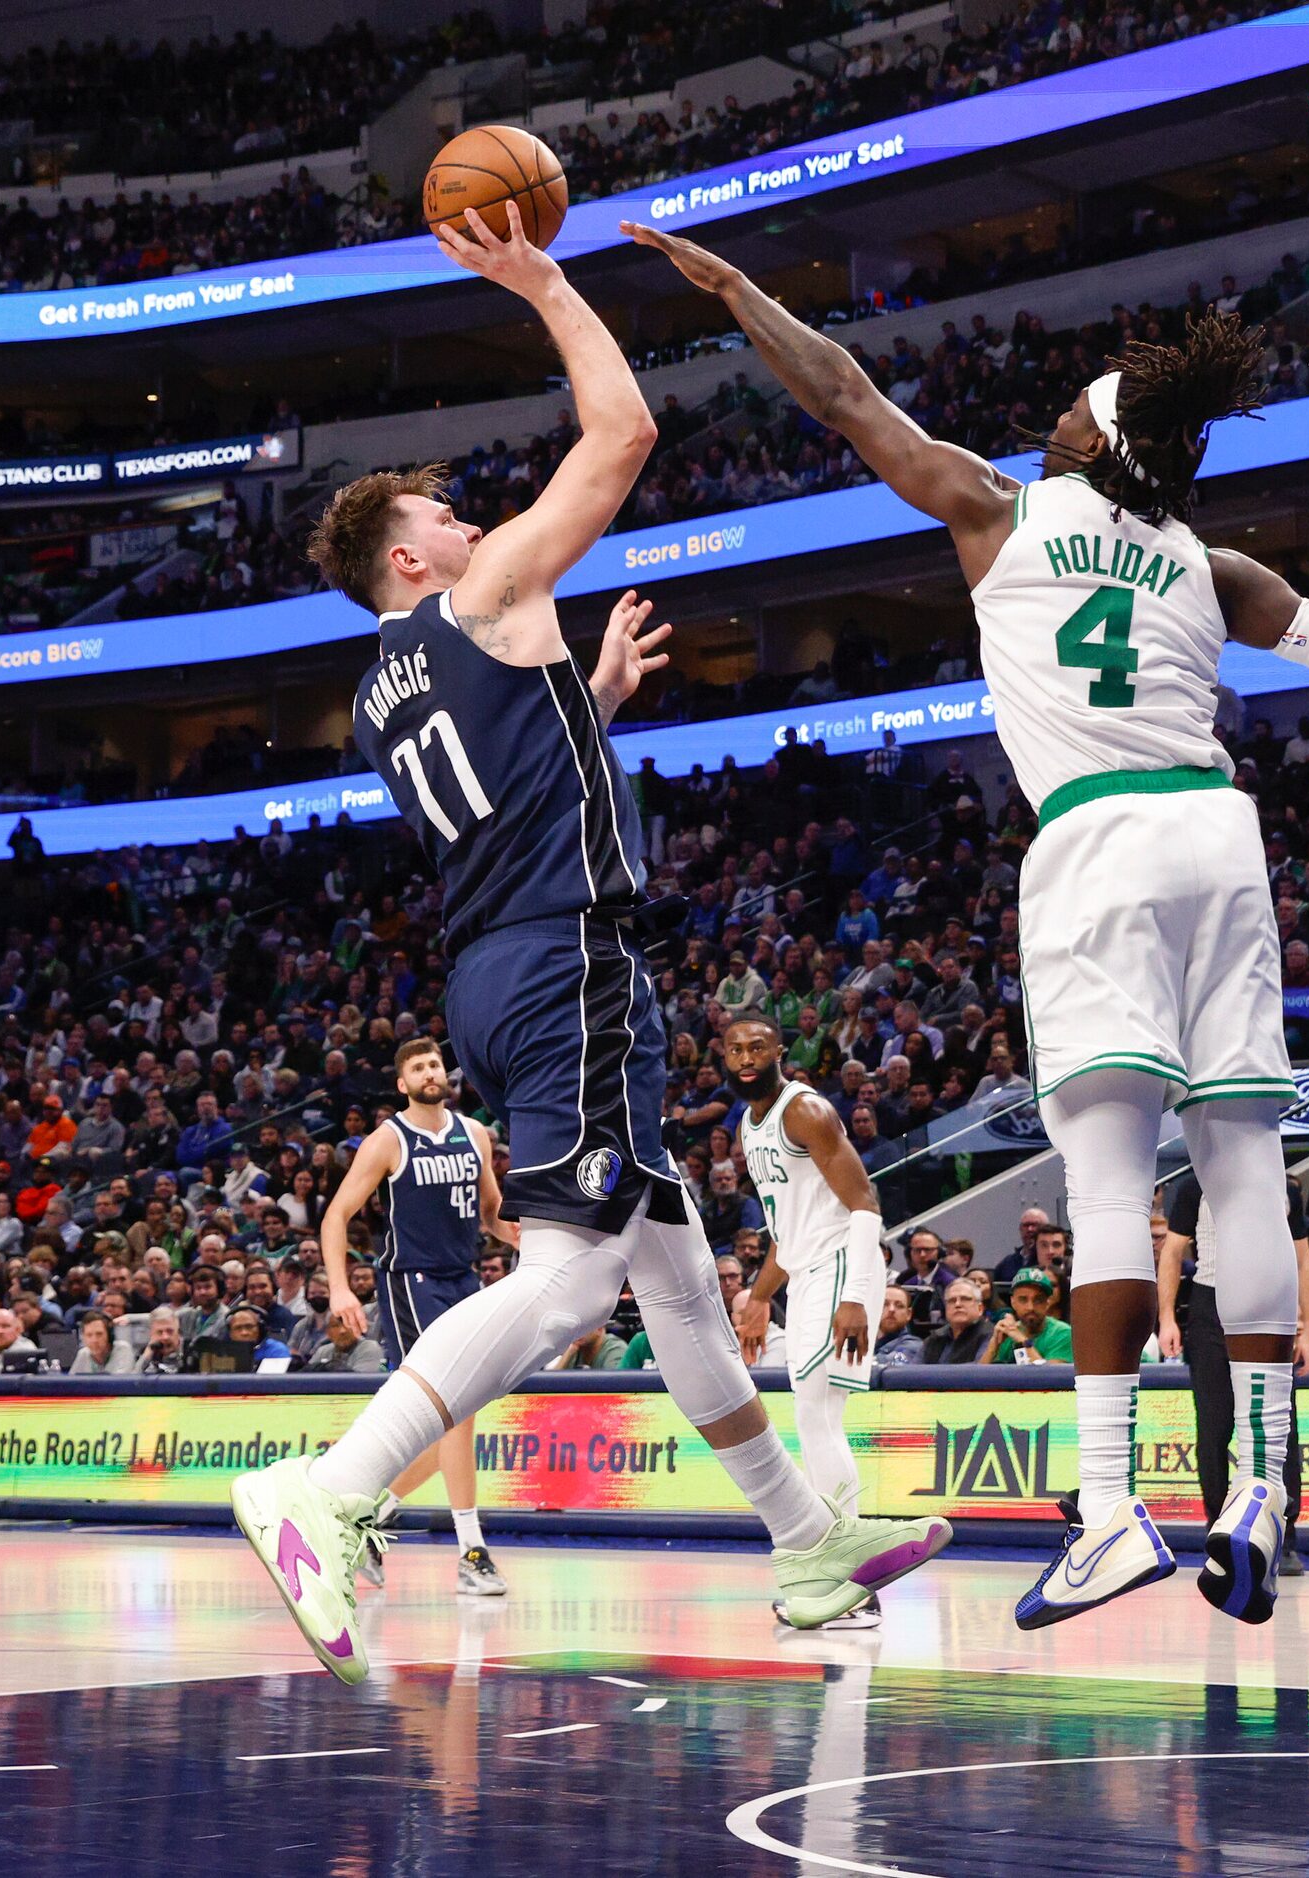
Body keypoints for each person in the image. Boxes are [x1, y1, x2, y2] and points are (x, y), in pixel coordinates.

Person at [626, 217, 1309, 1635]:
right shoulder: (1216, 569)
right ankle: (1264, 1484)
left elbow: (846, 393)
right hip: (1218, 838)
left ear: (1088, 447)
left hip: (1093, 838)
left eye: (1057, 413)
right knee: (1237, 1173)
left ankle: (1107, 1513)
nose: (1039, 422)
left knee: (1106, 1190)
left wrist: (733, 292)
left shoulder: (999, 509)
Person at [233, 202, 947, 1684]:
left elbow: (506, 798)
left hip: (498, 966)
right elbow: (620, 433)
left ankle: (808, 1543)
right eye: (442, 515)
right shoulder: (487, 597)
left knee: (678, 1278)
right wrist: (546, 280)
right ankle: (331, 1491)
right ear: (412, 563)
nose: (470, 517)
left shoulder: (381, 692)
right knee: (565, 1283)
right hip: (569, 968)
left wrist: (592, 702)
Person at [316, 1038, 514, 1598]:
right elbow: (336, 1216)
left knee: (452, 1421)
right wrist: (339, 1289)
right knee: (455, 1417)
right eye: (418, 1068)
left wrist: (524, 1234)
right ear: (402, 1084)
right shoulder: (387, 1140)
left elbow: (491, 1213)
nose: (431, 1072)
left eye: (435, 1064)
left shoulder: (476, 1134)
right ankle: (471, 1552)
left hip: (464, 1279)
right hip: (411, 1281)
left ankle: (369, 1521)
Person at [727, 1014, 893, 1630]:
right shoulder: (749, 1124)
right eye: (735, 1048)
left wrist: (853, 1295)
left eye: (758, 1046)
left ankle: (856, 1585)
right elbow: (786, 1235)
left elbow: (865, 1205)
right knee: (814, 1420)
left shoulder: (806, 1112)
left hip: (843, 1268)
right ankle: (844, 1575)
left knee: (817, 1419)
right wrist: (760, 1296)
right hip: (810, 1273)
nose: (746, 1057)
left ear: (780, 1051)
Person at [1158, 1176, 1309, 1578]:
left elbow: (1302, 1259)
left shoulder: (1285, 1187)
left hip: (1268, 1301)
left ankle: (1284, 1538)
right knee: (1213, 1430)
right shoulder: (1195, 1185)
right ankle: (1218, 1533)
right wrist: (1165, 1319)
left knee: (1280, 1429)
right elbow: (1173, 1251)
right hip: (1209, 1304)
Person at [918, 1281, 995, 1363]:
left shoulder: (990, 1335)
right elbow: (913, 1371)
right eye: (952, 1300)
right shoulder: (935, 1337)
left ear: (980, 1309)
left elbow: (979, 1371)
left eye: (965, 1299)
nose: (958, 1304)